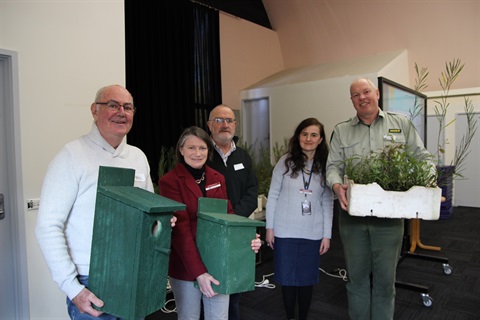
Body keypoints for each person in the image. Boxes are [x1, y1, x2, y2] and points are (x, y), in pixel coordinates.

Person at [35, 85, 175, 319]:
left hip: (132, 274)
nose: (121, 112)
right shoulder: (71, 156)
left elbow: (146, 214)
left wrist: (161, 223)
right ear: (94, 110)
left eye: (127, 107)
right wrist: (73, 289)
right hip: (91, 280)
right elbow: (47, 226)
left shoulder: (137, 157)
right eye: (112, 105)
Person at [326, 78, 435, 320]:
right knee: (357, 280)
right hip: (353, 218)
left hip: (389, 218)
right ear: (352, 100)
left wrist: (428, 180)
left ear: (376, 93)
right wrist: (335, 185)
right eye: (356, 95)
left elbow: (423, 158)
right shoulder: (342, 130)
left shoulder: (401, 124)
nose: (362, 97)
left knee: (386, 282)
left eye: (366, 92)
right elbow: (332, 166)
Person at [158, 126, 261, 320]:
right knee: (189, 317)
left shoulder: (217, 178)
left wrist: (246, 238)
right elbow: (181, 232)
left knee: (219, 317)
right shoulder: (170, 181)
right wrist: (199, 273)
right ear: (181, 150)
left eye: (202, 148)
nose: (197, 153)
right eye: (191, 148)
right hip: (186, 266)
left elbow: (228, 216)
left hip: (217, 262)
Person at [265, 118, 334, 320]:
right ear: (298, 137)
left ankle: (302, 317)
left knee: (306, 280)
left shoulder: (325, 166)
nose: (308, 138)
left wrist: (327, 235)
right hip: (284, 231)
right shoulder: (285, 162)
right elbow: (273, 196)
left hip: (312, 232)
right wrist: (270, 228)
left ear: (321, 139)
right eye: (304, 134)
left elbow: (328, 202)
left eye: (314, 135)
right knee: (287, 280)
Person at [206, 104, 259, 320]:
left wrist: (234, 219)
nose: (224, 124)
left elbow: (252, 191)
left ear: (235, 125)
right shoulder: (202, 154)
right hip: (211, 232)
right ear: (209, 125)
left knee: (234, 290)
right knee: (211, 288)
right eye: (219, 120)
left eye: (229, 120)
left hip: (238, 230)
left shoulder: (243, 157)